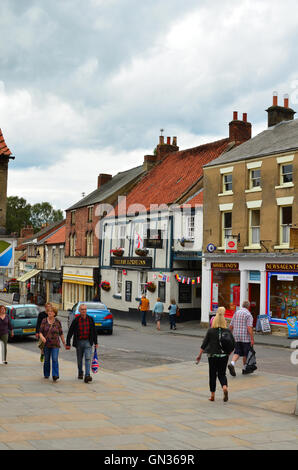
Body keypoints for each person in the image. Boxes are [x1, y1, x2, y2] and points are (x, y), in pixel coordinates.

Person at [196, 307, 231, 402]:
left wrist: (199, 356)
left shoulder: (210, 331)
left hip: (212, 356)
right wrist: (228, 353)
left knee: (212, 375)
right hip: (224, 356)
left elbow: (204, 344)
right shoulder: (227, 331)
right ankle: (224, 387)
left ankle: (212, 395)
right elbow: (233, 344)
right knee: (222, 374)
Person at [66, 304, 98, 383]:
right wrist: (68, 343)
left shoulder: (90, 319)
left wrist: (96, 342)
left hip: (88, 342)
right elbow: (70, 332)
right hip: (79, 342)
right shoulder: (76, 320)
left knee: (87, 358)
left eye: (85, 309)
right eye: (82, 309)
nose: (84, 311)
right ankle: (80, 372)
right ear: (79, 311)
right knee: (79, 360)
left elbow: (94, 331)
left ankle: (87, 375)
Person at [39, 306, 66, 381]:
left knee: (54, 359)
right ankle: (46, 374)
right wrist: (42, 337)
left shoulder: (57, 322)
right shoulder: (44, 320)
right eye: (49, 311)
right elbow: (40, 332)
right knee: (47, 360)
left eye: (51, 311)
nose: (50, 312)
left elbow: (61, 333)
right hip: (46, 344)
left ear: (55, 313)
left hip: (55, 344)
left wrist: (64, 342)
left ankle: (55, 375)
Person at [228, 300, 254, 377]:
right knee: (246, 353)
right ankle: (245, 369)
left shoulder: (236, 313)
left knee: (237, 352)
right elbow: (249, 328)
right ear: (248, 306)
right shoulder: (248, 315)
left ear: (242, 305)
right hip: (245, 337)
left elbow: (231, 325)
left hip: (236, 336)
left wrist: (229, 334)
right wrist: (252, 339)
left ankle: (232, 363)